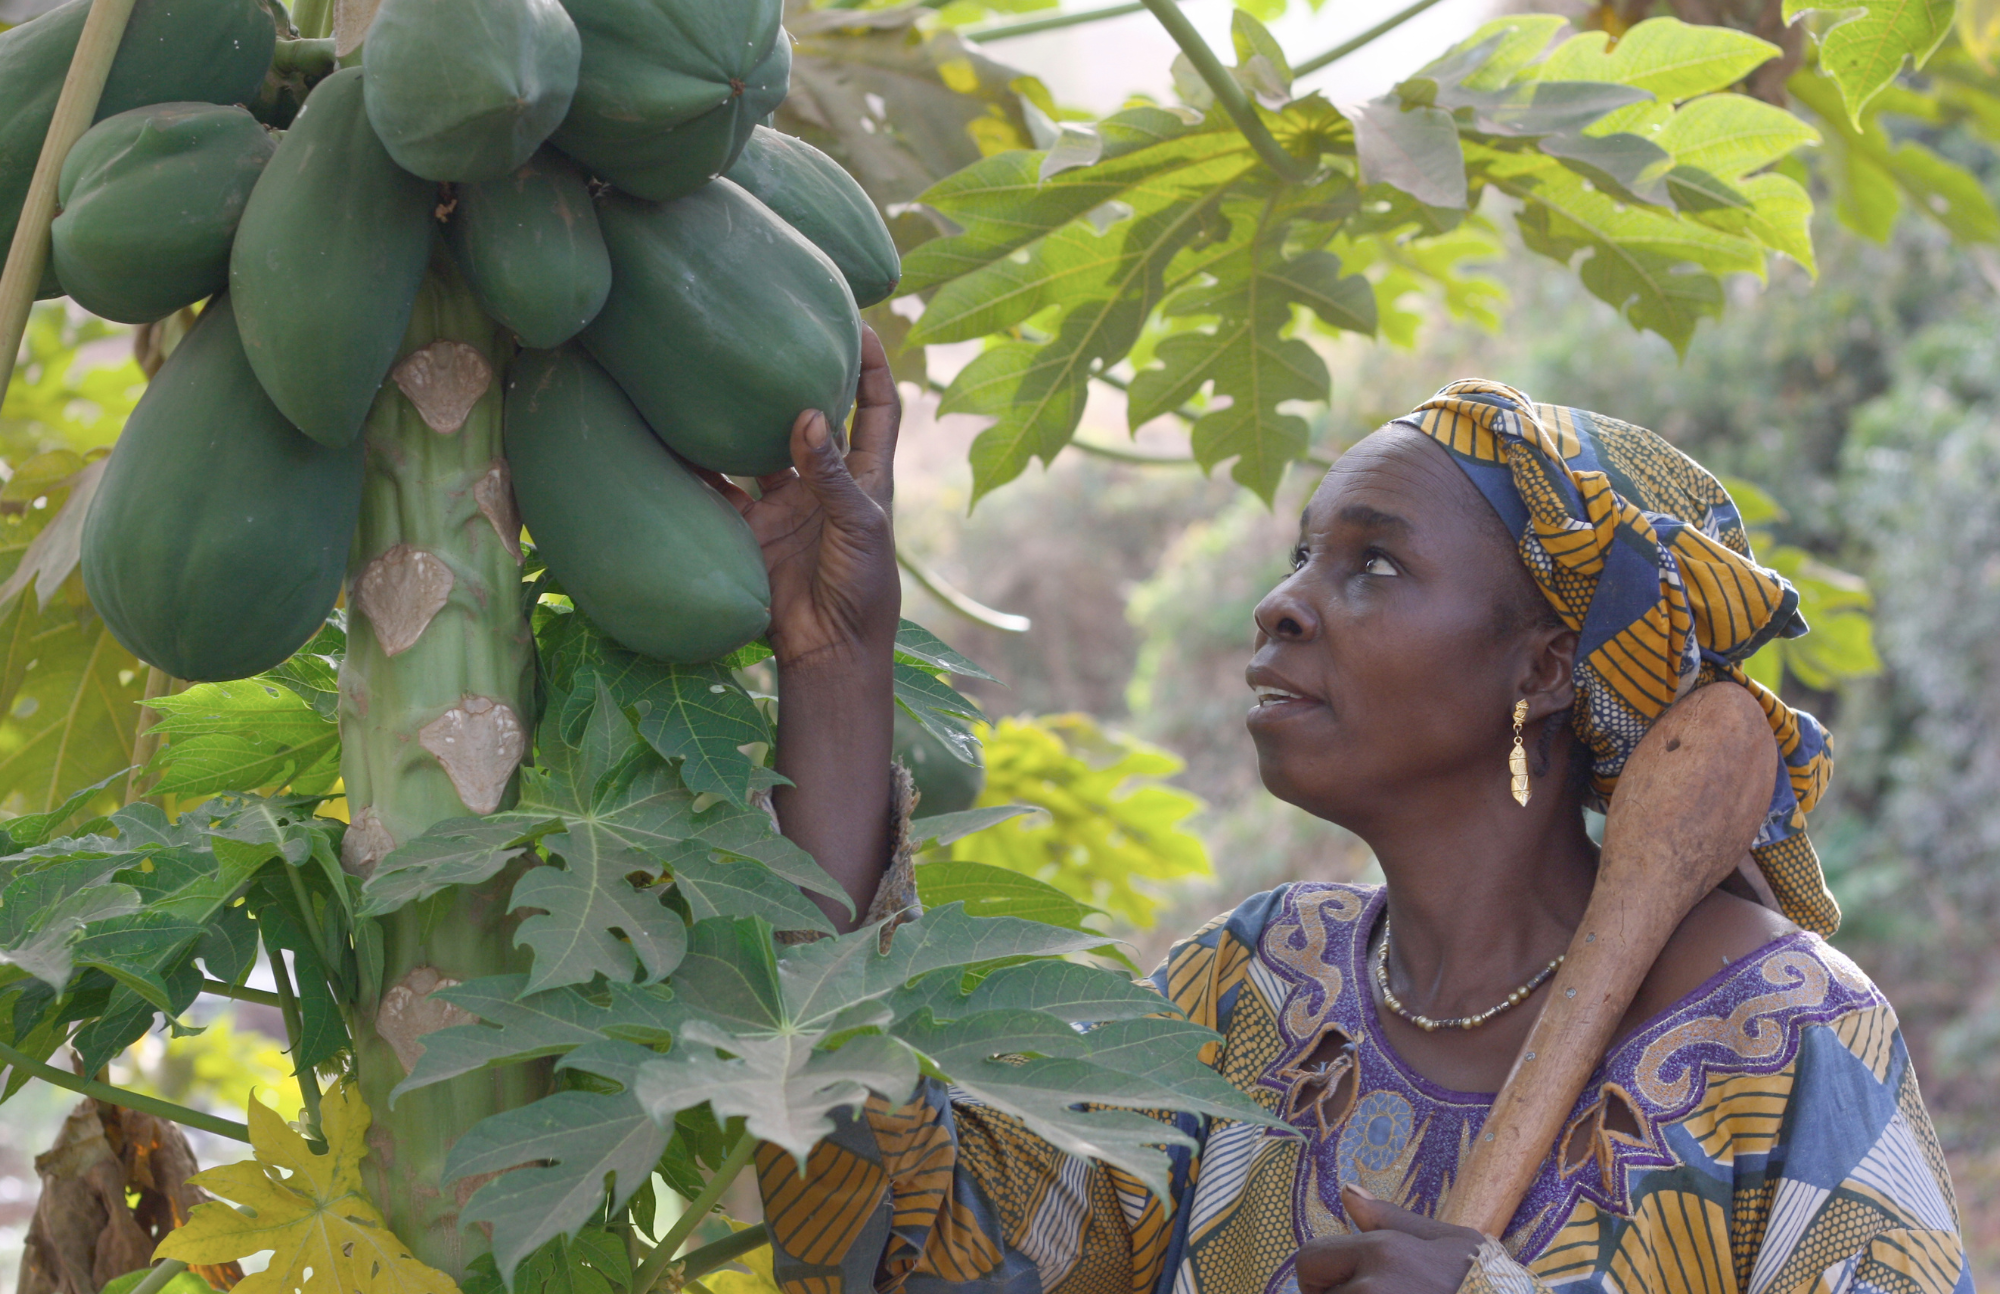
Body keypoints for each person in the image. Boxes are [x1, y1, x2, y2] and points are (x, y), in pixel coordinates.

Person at [722, 341, 1972, 1294]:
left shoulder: (1785, 1040)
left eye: (1372, 562)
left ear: (1541, 668)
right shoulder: (1242, 996)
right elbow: (910, 1246)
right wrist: (835, 662)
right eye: (1302, 553)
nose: (1278, 604)